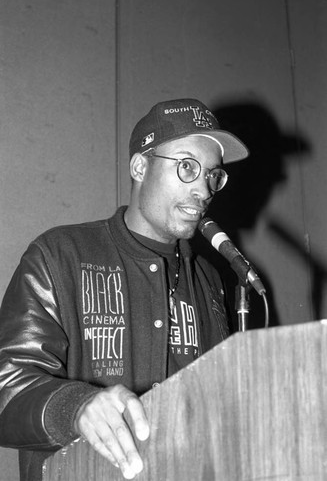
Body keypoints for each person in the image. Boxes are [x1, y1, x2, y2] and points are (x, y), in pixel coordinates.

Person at [0, 98, 248, 480]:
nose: (203, 188)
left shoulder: (211, 280)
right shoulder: (60, 255)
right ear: (139, 166)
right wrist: (75, 408)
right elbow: (7, 386)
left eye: (213, 175)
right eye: (186, 167)